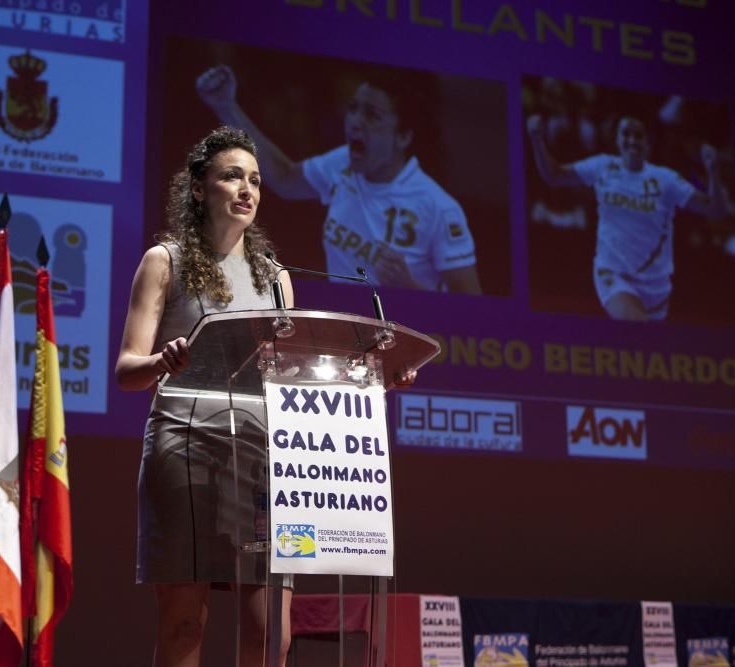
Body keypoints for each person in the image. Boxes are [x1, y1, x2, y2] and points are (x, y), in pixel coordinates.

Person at [115, 126, 295, 666]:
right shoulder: (163, 261)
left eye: (256, 181)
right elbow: (127, 370)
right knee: (183, 624)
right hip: (185, 444)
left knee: (272, 632)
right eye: (232, 176)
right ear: (198, 189)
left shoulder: (277, 279)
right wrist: (161, 361)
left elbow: (292, 372)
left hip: (262, 453)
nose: (247, 190)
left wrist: (369, 377)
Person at [196, 65, 482, 294]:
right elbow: (285, 178)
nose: (355, 121)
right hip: (345, 326)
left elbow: (472, 311)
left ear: (403, 136)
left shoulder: (439, 208)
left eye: (372, 115)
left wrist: (409, 289)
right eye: (354, 108)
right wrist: (226, 105)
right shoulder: (343, 161)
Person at [526, 113, 725, 321]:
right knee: (636, 326)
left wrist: (714, 171)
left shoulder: (666, 179)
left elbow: (715, 210)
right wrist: (536, 138)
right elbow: (554, 175)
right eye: (625, 134)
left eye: (638, 135)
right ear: (617, 139)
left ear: (647, 142)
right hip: (613, 273)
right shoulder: (602, 167)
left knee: (643, 348)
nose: (631, 140)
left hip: (657, 287)